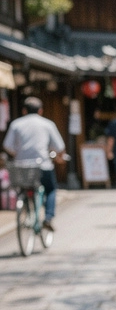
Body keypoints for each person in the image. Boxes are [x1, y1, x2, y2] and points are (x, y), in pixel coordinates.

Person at [2, 96, 65, 230]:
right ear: (40, 110)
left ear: (24, 110)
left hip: (21, 167)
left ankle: (27, 211)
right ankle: (48, 217)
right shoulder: (47, 124)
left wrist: (17, 153)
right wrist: (58, 157)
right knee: (51, 189)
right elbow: (60, 147)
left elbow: (7, 145)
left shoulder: (16, 124)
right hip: (42, 166)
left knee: (23, 188)